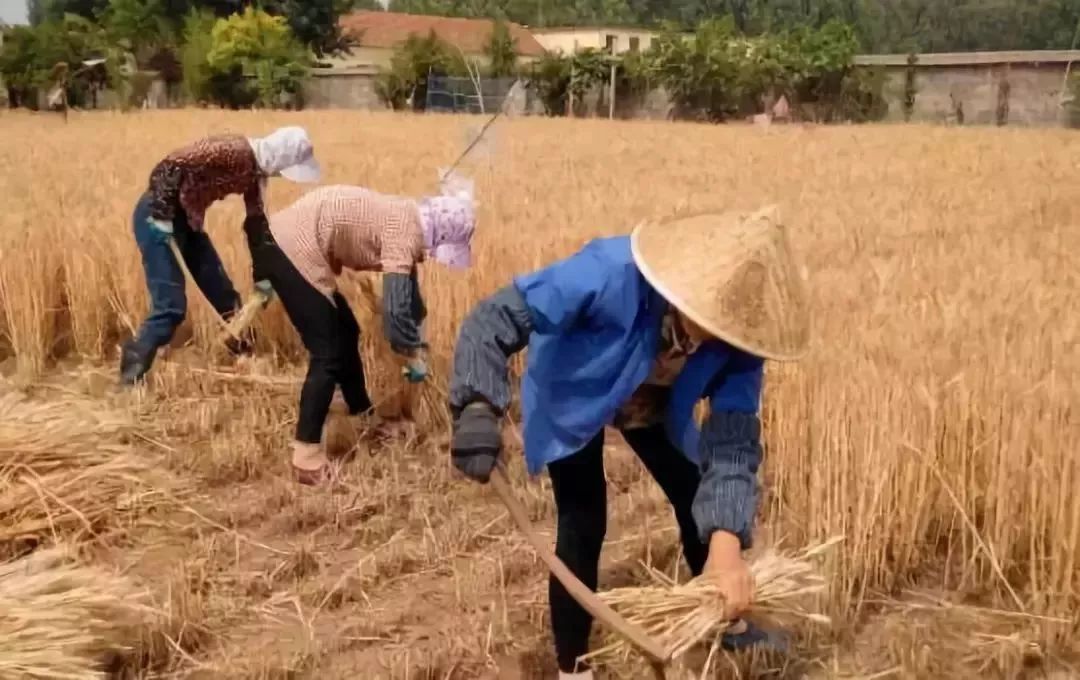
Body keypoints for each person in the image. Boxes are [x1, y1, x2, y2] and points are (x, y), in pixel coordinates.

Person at [446, 206, 810, 678]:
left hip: (654, 403)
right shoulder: (608, 272)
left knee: (695, 490)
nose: (718, 337)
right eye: (711, 320)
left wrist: (726, 548)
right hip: (576, 391)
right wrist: (477, 406)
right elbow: (493, 320)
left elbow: (733, 443)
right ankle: (573, 668)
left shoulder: (744, 337)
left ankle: (722, 620)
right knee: (583, 521)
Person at [246, 171, 477, 485]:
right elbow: (395, 317)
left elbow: (408, 297)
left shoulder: (408, 217)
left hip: (287, 240)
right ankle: (305, 456)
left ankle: (361, 413)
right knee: (327, 352)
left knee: (346, 330)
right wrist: (412, 354)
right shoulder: (406, 234)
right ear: (440, 235)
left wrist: (417, 331)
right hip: (291, 249)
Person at [120, 126, 322, 386]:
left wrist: (265, 274)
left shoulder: (255, 177)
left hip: (189, 223)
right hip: (157, 218)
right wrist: (161, 212)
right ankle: (130, 374)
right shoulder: (232, 149)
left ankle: (245, 360)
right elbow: (169, 166)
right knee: (170, 307)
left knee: (226, 298)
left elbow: (256, 228)